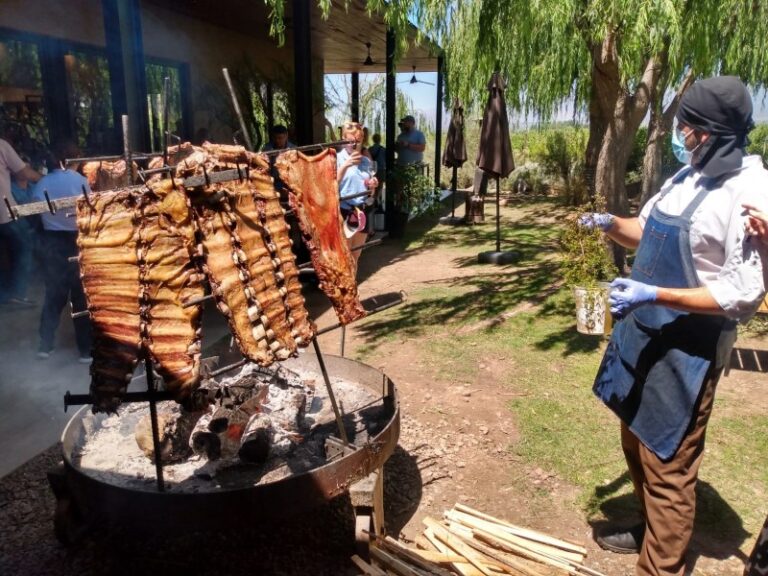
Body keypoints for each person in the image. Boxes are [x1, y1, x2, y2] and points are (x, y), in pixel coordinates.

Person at [581, 76, 768, 576]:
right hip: (643, 335)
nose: (679, 133)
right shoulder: (685, 178)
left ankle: (659, 566)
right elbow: (643, 230)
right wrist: (608, 222)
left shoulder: (750, 193)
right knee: (634, 440)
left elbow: (741, 294)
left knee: (669, 462)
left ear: (712, 132)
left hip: (690, 348)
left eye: (687, 126)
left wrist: (655, 293)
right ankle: (649, 528)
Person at [30, 140, 92, 363]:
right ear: (72, 160)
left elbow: (35, 212)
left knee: (54, 295)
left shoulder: (42, 183)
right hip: (77, 240)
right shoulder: (82, 181)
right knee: (81, 297)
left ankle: (44, 346)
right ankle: (85, 350)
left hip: (52, 242)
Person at [0, 138, 41, 305]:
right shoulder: (1, 145)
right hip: (4, 212)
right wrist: (45, 178)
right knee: (25, 244)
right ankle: (17, 293)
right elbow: (23, 173)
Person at [336, 121, 377, 268]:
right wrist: (346, 165)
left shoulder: (365, 161)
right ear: (343, 139)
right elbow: (331, 186)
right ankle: (344, 290)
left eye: (357, 141)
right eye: (350, 141)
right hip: (344, 210)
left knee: (356, 255)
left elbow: (370, 192)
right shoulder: (336, 159)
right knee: (344, 255)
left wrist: (373, 185)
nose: (354, 145)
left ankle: (352, 288)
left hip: (361, 210)